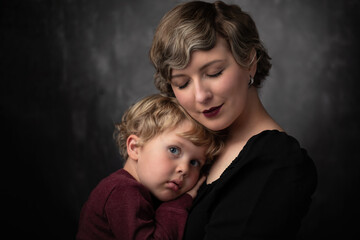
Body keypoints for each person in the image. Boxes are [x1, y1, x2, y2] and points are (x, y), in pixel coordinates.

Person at [150, 1, 317, 239]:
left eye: (214, 72)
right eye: (182, 83)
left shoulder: (278, 163)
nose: (200, 96)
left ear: (250, 61)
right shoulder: (192, 146)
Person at [76, 94, 223, 240]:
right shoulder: (122, 191)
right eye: (174, 150)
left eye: (194, 162)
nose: (184, 169)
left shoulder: (142, 191)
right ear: (135, 148)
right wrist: (180, 202)